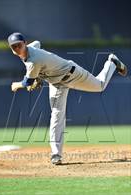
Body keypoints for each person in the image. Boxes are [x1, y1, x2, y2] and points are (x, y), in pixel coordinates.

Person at [8, 32, 127, 165]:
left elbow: (27, 83)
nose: (17, 48)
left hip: (72, 74)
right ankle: (56, 154)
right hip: (56, 83)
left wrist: (16, 85)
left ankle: (111, 62)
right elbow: (37, 43)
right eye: (14, 47)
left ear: (24, 43)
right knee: (56, 115)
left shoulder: (33, 60)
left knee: (100, 86)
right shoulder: (30, 50)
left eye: (19, 45)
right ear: (12, 50)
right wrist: (39, 75)